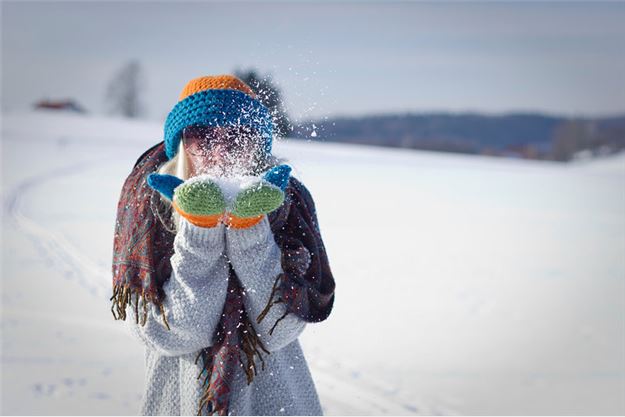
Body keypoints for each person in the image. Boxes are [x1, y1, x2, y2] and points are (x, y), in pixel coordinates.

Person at [110, 75, 336, 416]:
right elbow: (170, 335)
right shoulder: (149, 207)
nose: (219, 151)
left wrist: (250, 229)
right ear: (181, 142)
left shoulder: (286, 203)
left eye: (235, 135)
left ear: (256, 144)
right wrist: (199, 230)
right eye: (202, 135)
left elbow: (280, 330)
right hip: (180, 400)